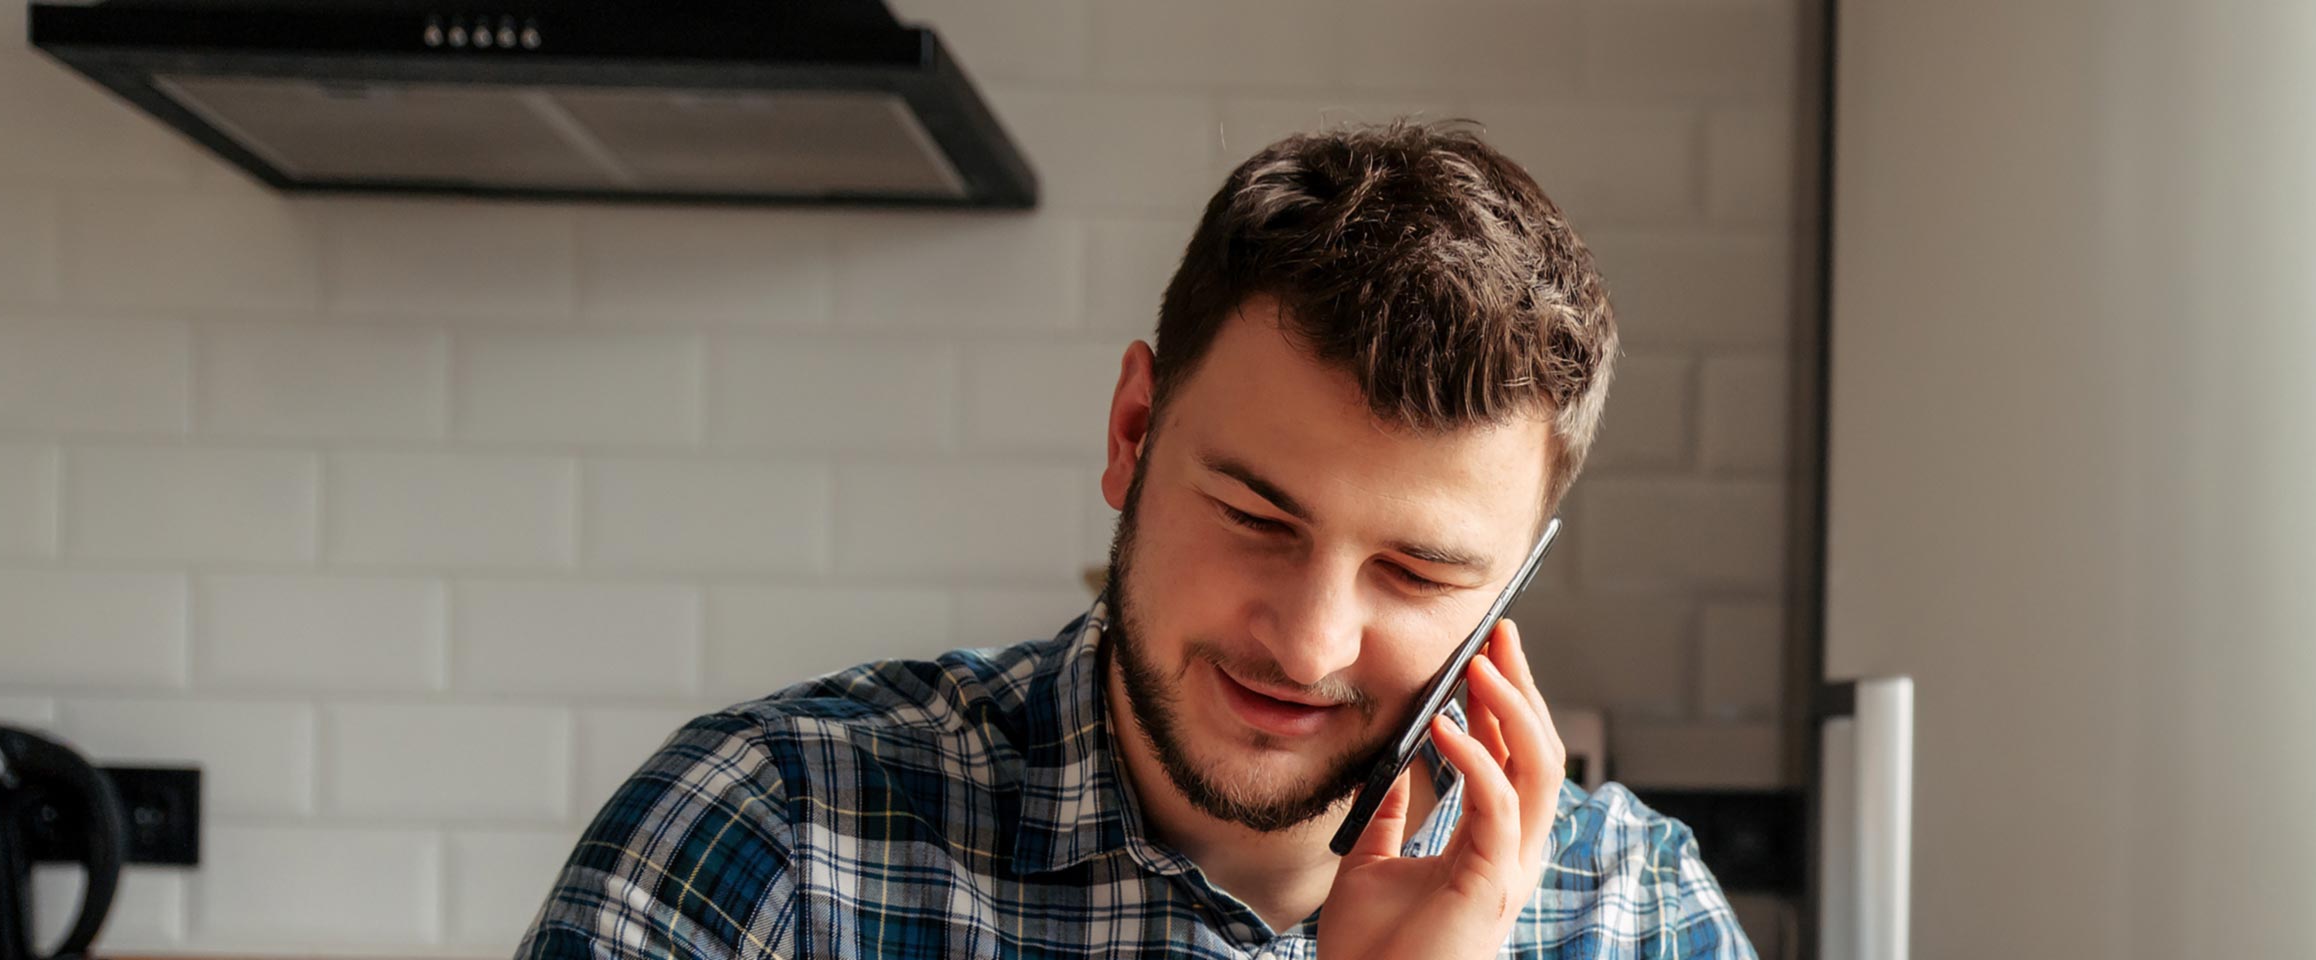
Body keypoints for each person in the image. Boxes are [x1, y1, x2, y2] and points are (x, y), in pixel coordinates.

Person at [519, 122, 1756, 960]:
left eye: (1418, 570)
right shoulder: (773, 836)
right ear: (1131, 432)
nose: (1310, 640)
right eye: (1257, 518)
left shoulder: (1635, 913)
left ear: (1516, 581)